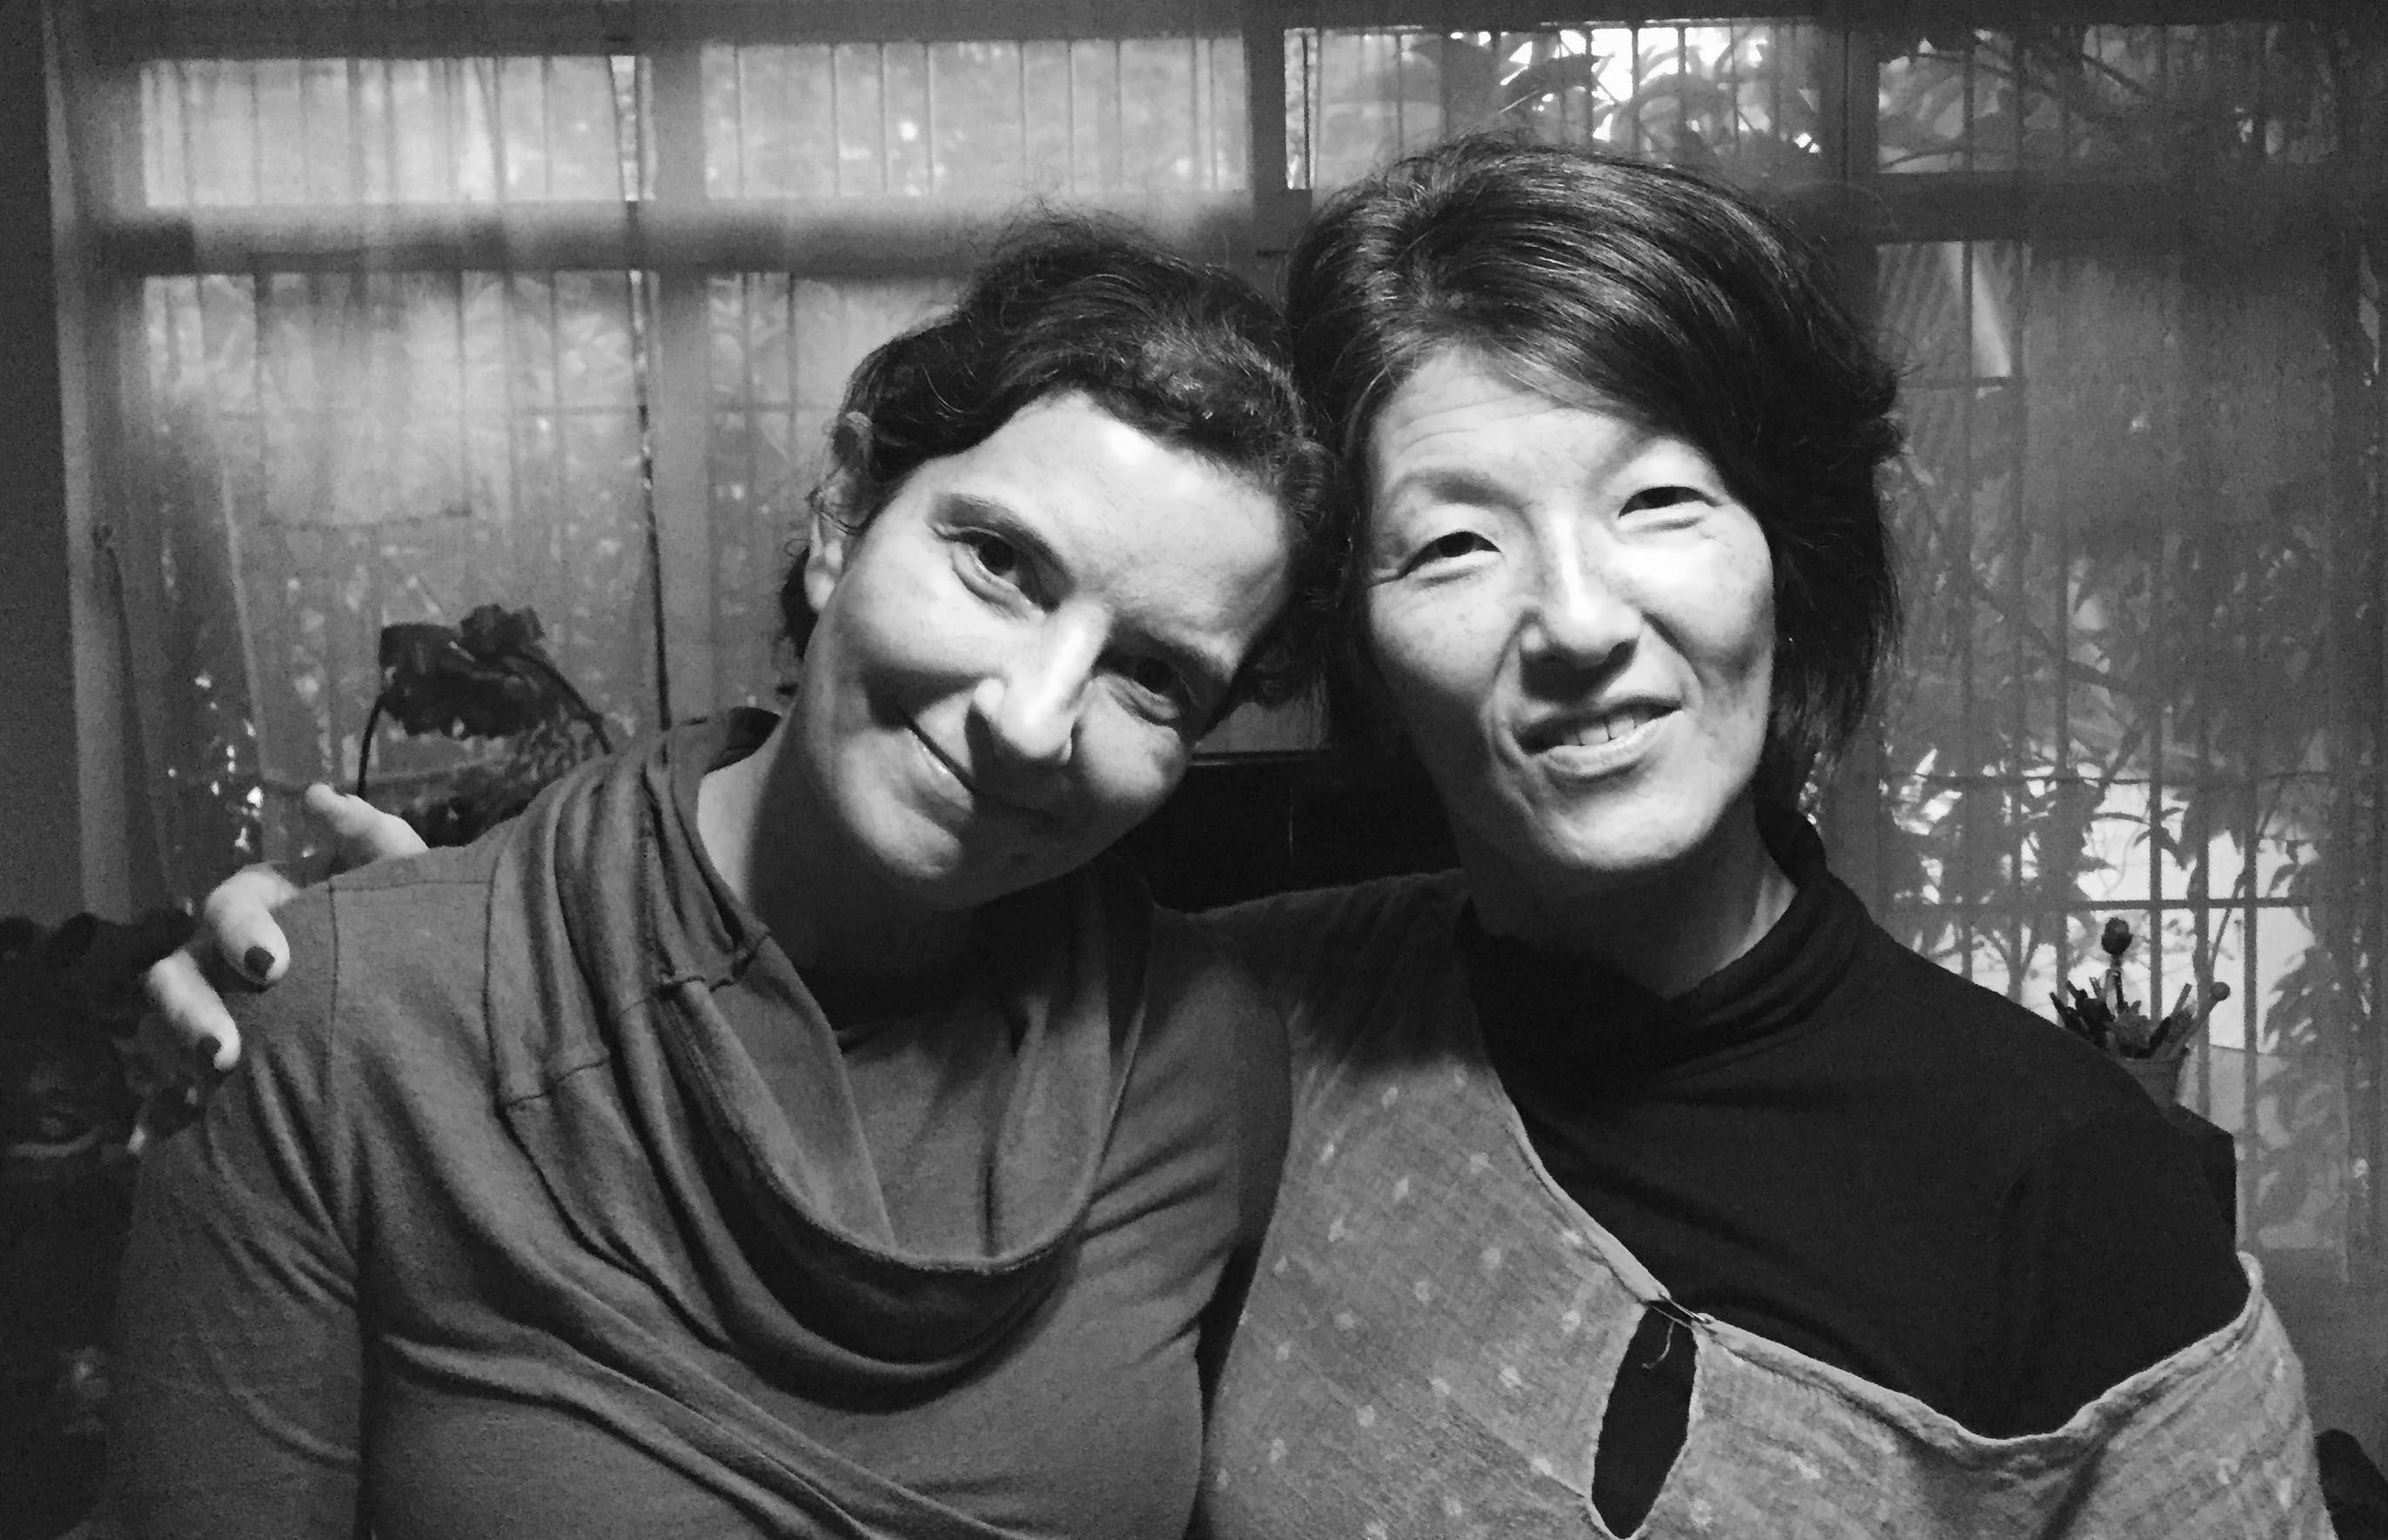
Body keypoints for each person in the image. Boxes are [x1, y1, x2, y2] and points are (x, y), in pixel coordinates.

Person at [145, 140, 2327, 1537]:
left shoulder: (2091, 1210)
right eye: (1453, 542)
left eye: (1661, 500)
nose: (1578, 620)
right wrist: (419, 962)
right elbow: (802, 962)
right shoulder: (1263, 1011)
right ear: (1354, 655)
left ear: (1790, 556)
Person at [109, 218, 1338, 1540]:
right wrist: (404, 970)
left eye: (1152, 675)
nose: (1034, 720)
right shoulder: (345, 1025)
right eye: (998, 562)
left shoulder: (1204, 1059)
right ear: (843, 515)